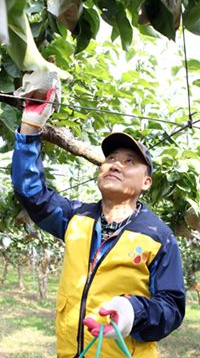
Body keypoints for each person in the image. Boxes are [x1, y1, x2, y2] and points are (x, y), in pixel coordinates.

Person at [11, 84, 186, 358]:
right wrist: (30, 128)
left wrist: (131, 312)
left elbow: (172, 308)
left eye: (129, 162)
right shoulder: (76, 218)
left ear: (146, 182)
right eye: (111, 159)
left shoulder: (157, 235)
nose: (116, 164)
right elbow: (31, 193)